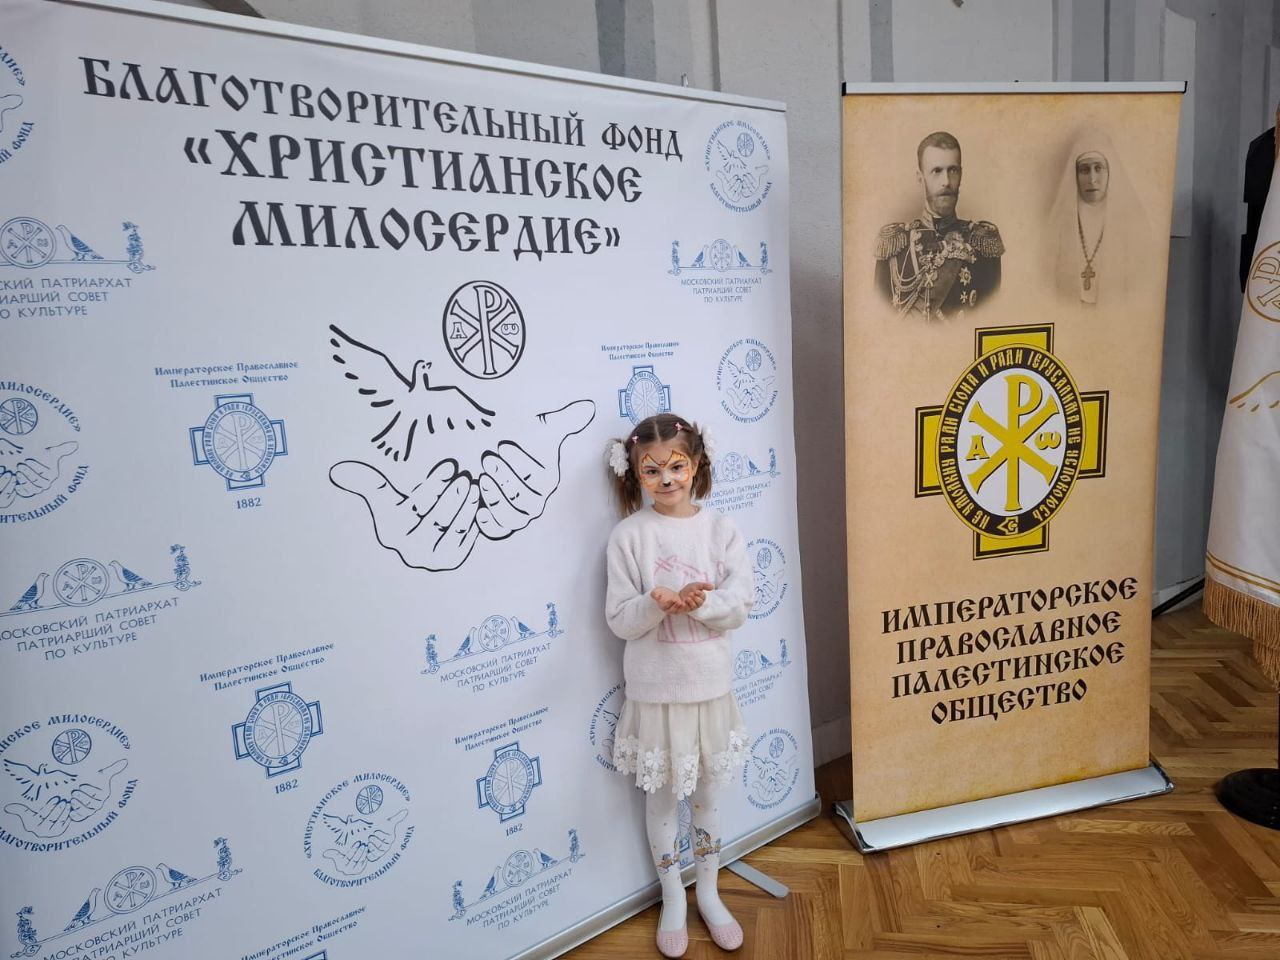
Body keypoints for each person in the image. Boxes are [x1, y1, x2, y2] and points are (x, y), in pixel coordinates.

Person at [604, 413, 753, 958]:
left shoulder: (721, 530)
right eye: (652, 470)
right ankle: (673, 897)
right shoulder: (628, 537)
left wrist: (700, 602)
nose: (666, 479)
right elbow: (620, 619)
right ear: (635, 474)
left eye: (676, 466)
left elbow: (740, 603)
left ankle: (709, 893)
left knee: (708, 798)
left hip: (709, 690)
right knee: (663, 801)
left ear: (695, 464)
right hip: (657, 693)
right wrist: (655, 602)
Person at [874, 130, 1004, 321]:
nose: (946, 182)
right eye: (936, 171)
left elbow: (990, 320)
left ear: (961, 175)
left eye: (953, 170)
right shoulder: (895, 243)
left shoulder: (982, 242)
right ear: (921, 179)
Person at [1049, 129, 1148, 306]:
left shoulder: (1132, 226)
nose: (1092, 179)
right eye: (1084, 170)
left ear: (1110, 172)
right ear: (1075, 175)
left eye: (1098, 168)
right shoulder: (1059, 223)